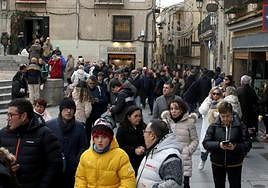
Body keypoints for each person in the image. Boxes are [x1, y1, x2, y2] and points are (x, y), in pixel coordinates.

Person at [0, 98, 62, 188]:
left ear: (23, 116)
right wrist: (6, 168)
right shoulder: (3, 134)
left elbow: (55, 165)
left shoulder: (44, 134)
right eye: (7, 114)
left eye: (11, 115)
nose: (7, 119)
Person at [75, 117, 136, 187]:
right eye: (97, 137)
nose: (100, 140)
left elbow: (128, 180)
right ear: (93, 138)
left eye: (104, 137)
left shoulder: (121, 156)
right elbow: (80, 179)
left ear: (110, 138)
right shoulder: (85, 156)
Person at [202, 101, 251, 188]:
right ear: (219, 115)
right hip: (217, 162)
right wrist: (219, 145)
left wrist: (235, 147)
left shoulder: (240, 126)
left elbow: (247, 144)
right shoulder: (214, 126)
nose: (225, 119)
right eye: (222, 116)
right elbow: (206, 143)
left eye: (227, 116)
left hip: (235, 163)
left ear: (232, 114)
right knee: (219, 185)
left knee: (235, 185)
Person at [46, 98, 88, 188]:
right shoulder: (49, 126)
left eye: (71, 109)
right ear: (61, 110)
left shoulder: (80, 127)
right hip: (55, 169)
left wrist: (76, 161)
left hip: (73, 169)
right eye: (65, 109)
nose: (68, 111)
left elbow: (83, 147)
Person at [161, 99, 198, 188]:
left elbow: (195, 140)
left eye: (176, 108)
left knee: (185, 184)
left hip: (184, 159)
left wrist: (188, 150)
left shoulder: (189, 122)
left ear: (182, 109)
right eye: (171, 108)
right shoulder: (166, 122)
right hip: (169, 158)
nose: (173, 111)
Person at [136, 119, 183, 188]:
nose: (143, 135)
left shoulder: (170, 156)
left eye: (144, 132)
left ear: (152, 135)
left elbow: (174, 184)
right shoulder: (153, 150)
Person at [198, 86, 223, 170]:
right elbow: (202, 111)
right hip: (207, 128)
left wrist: (218, 115)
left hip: (218, 129)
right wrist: (208, 101)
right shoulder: (207, 101)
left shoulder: (223, 103)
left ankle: (217, 165)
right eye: (214, 93)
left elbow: (226, 114)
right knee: (205, 147)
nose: (215, 95)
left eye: (217, 94)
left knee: (217, 148)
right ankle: (203, 160)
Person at [116, 105, 146, 175]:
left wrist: (143, 147)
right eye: (135, 116)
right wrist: (134, 150)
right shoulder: (122, 129)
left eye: (140, 116)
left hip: (142, 160)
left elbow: (149, 141)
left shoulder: (144, 126)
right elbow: (119, 147)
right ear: (129, 117)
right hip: (127, 161)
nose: (138, 118)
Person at [237, 75, 259, 141]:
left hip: (242, 110)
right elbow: (256, 100)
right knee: (251, 124)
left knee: (243, 123)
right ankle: (252, 135)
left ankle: (243, 135)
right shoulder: (252, 90)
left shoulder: (239, 90)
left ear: (242, 82)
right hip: (251, 111)